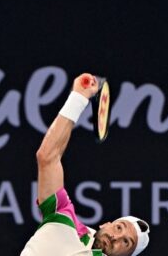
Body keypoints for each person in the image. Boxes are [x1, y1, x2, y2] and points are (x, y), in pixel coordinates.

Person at [20, 73, 150, 256]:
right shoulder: (63, 219)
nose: (116, 238)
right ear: (106, 224)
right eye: (119, 228)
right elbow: (48, 158)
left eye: (126, 242)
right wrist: (78, 98)